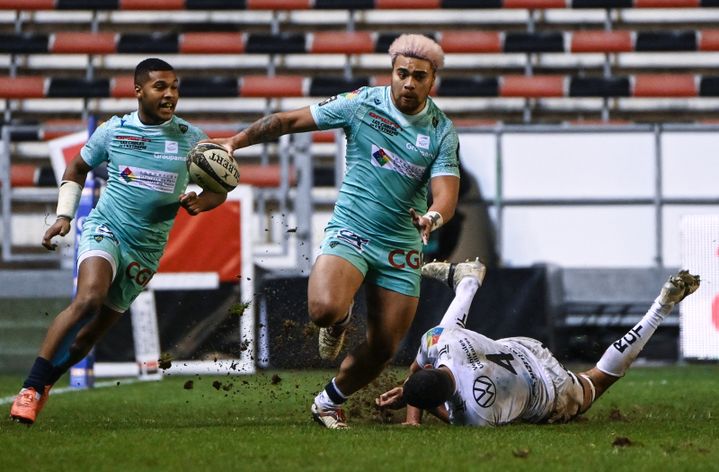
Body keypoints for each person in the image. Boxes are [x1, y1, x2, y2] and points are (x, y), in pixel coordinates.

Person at [209, 34, 460, 428]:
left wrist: (433, 217)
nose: (409, 83)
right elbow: (290, 120)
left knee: (383, 348)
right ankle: (340, 323)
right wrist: (238, 141)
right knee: (323, 310)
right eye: (402, 73)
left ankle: (327, 402)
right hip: (353, 227)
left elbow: (446, 193)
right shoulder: (362, 103)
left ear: (432, 82)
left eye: (418, 76)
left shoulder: (441, 130)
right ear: (392, 73)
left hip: (401, 243)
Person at [10, 58, 227, 425]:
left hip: (146, 250)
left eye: (175, 87)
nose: (170, 94)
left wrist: (201, 201)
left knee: (87, 339)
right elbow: (77, 167)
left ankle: (46, 382)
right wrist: (64, 216)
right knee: (88, 298)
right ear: (138, 90)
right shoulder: (114, 131)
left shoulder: (193, 139)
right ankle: (29, 388)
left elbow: (219, 190)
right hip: (106, 228)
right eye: (161, 86)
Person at [376, 260, 700, 426]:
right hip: (522, 348)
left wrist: (414, 407)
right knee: (447, 331)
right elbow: (420, 366)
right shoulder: (434, 341)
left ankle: (661, 308)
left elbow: (448, 411)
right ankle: (469, 280)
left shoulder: (476, 413)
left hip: (549, 392)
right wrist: (410, 390)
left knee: (599, 380)